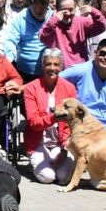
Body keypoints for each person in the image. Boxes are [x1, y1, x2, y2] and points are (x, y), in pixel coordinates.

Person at [59, 39, 106, 143]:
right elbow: (56, 80)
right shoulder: (81, 70)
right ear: (95, 53)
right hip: (82, 128)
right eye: (103, 53)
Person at [23, 48, 77, 184]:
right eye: (48, 64)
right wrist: (54, 117)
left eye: (56, 64)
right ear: (42, 66)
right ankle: (33, 164)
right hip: (38, 142)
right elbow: (34, 123)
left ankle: (55, 160)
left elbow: (73, 123)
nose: (52, 68)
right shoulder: (31, 88)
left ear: (61, 66)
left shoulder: (69, 88)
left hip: (61, 143)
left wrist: (65, 150)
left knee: (63, 177)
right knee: (48, 177)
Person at [38, 0, 106, 68]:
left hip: (80, 70)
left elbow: (101, 27)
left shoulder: (81, 22)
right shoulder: (53, 24)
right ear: (57, 10)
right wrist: (54, 21)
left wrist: (93, 11)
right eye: (64, 10)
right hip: (60, 72)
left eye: (71, 10)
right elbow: (42, 37)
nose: (68, 13)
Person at [2, 0, 51, 82]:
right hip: (24, 72)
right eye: (35, 7)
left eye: (42, 7)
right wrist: (9, 60)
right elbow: (10, 41)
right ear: (30, 5)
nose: (38, 11)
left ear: (47, 5)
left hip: (48, 72)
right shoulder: (20, 18)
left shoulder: (53, 18)